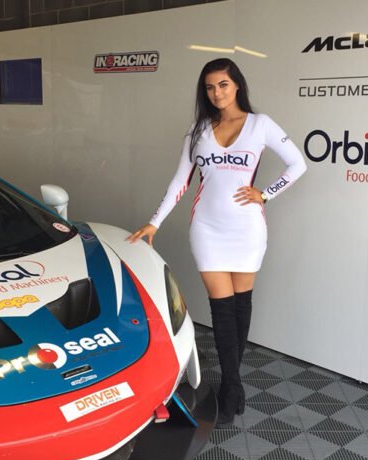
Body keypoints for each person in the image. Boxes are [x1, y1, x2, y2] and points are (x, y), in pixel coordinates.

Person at [127, 58, 307, 426]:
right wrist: (153, 223)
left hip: (247, 229)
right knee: (222, 310)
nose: (217, 93)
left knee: (241, 306)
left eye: (223, 85)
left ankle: (232, 382)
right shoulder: (197, 132)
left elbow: (297, 164)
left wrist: (265, 194)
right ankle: (232, 387)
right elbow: (180, 182)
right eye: (210, 87)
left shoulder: (260, 125)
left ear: (236, 85)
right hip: (207, 228)